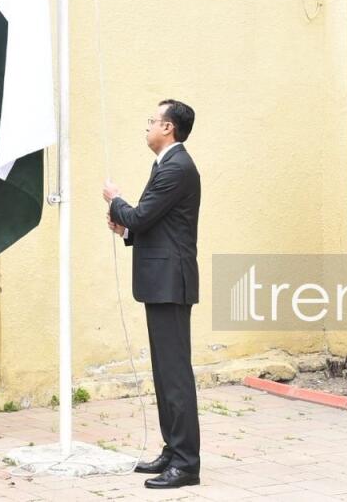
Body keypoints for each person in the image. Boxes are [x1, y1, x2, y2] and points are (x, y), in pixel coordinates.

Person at [104, 98, 201, 490]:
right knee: (164, 373)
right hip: (162, 281)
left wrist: (115, 201)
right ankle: (173, 450)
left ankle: (187, 464)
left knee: (175, 375)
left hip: (171, 282)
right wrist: (127, 230)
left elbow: (142, 215)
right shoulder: (166, 165)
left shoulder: (176, 167)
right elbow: (155, 224)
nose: (147, 126)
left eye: (152, 120)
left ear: (168, 128)